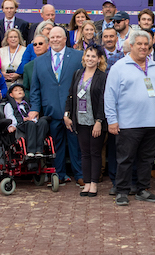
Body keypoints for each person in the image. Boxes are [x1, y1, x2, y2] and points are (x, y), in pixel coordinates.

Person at [105, 30, 155, 206]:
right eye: (140, 44)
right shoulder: (119, 67)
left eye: (147, 45)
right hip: (128, 123)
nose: (143, 47)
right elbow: (109, 96)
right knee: (125, 159)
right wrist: (111, 120)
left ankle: (143, 189)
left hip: (152, 123)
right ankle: (122, 191)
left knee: (146, 159)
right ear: (132, 45)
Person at [29, 27, 84, 184]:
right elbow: (35, 89)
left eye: (58, 37)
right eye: (52, 37)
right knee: (56, 146)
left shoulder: (78, 56)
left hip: (73, 111)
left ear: (65, 38)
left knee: (76, 145)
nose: (55, 40)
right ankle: (58, 174)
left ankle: (79, 174)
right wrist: (34, 108)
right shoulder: (39, 61)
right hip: (50, 110)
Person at [64, 46, 108, 197]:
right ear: (84, 57)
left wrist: (99, 120)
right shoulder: (77, 74)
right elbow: (70, 95)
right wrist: (67, 114)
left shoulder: (102, 76)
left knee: (95, 152)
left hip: (95, 121)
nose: (90, 59)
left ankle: (94, 183)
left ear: (99, 59)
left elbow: (104, 100)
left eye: (93, 56)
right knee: (84, 153)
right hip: (80, 119)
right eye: (88, 56)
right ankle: (87, 183)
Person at [1, 83, 48, 158]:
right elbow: (10, 117)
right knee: (30, 124)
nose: (19, 91)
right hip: (20, 126)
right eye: (16, 90)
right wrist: (13, 125)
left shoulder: (28, 104)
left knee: (43, 122)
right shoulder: (9, 105)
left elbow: (33, 115)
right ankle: (31, 150)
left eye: (21, 90)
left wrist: (33, 119)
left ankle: (39, 150)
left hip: (31, 123)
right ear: (11, 95)